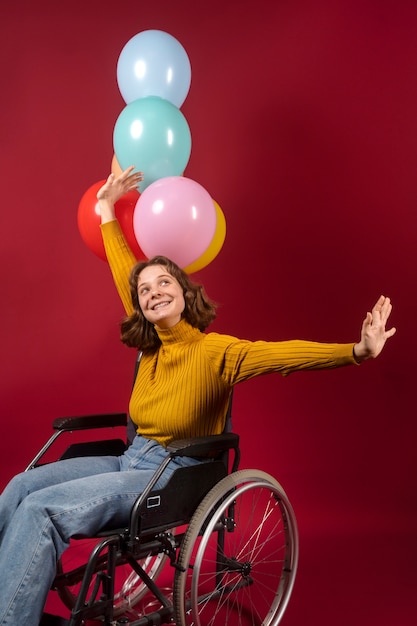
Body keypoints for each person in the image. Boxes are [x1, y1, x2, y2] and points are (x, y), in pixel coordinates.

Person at [0, 167, 396, 626]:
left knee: (42, 511)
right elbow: (124, 270)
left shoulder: (216, 352)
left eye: (165, 284)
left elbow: (282, 356)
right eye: (145, 291)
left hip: (172, 475)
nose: (152, 293)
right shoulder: (151, 341)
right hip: (131, 460)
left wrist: (358, 351)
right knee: (20, 488)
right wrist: (107, 209)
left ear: (186, 295)